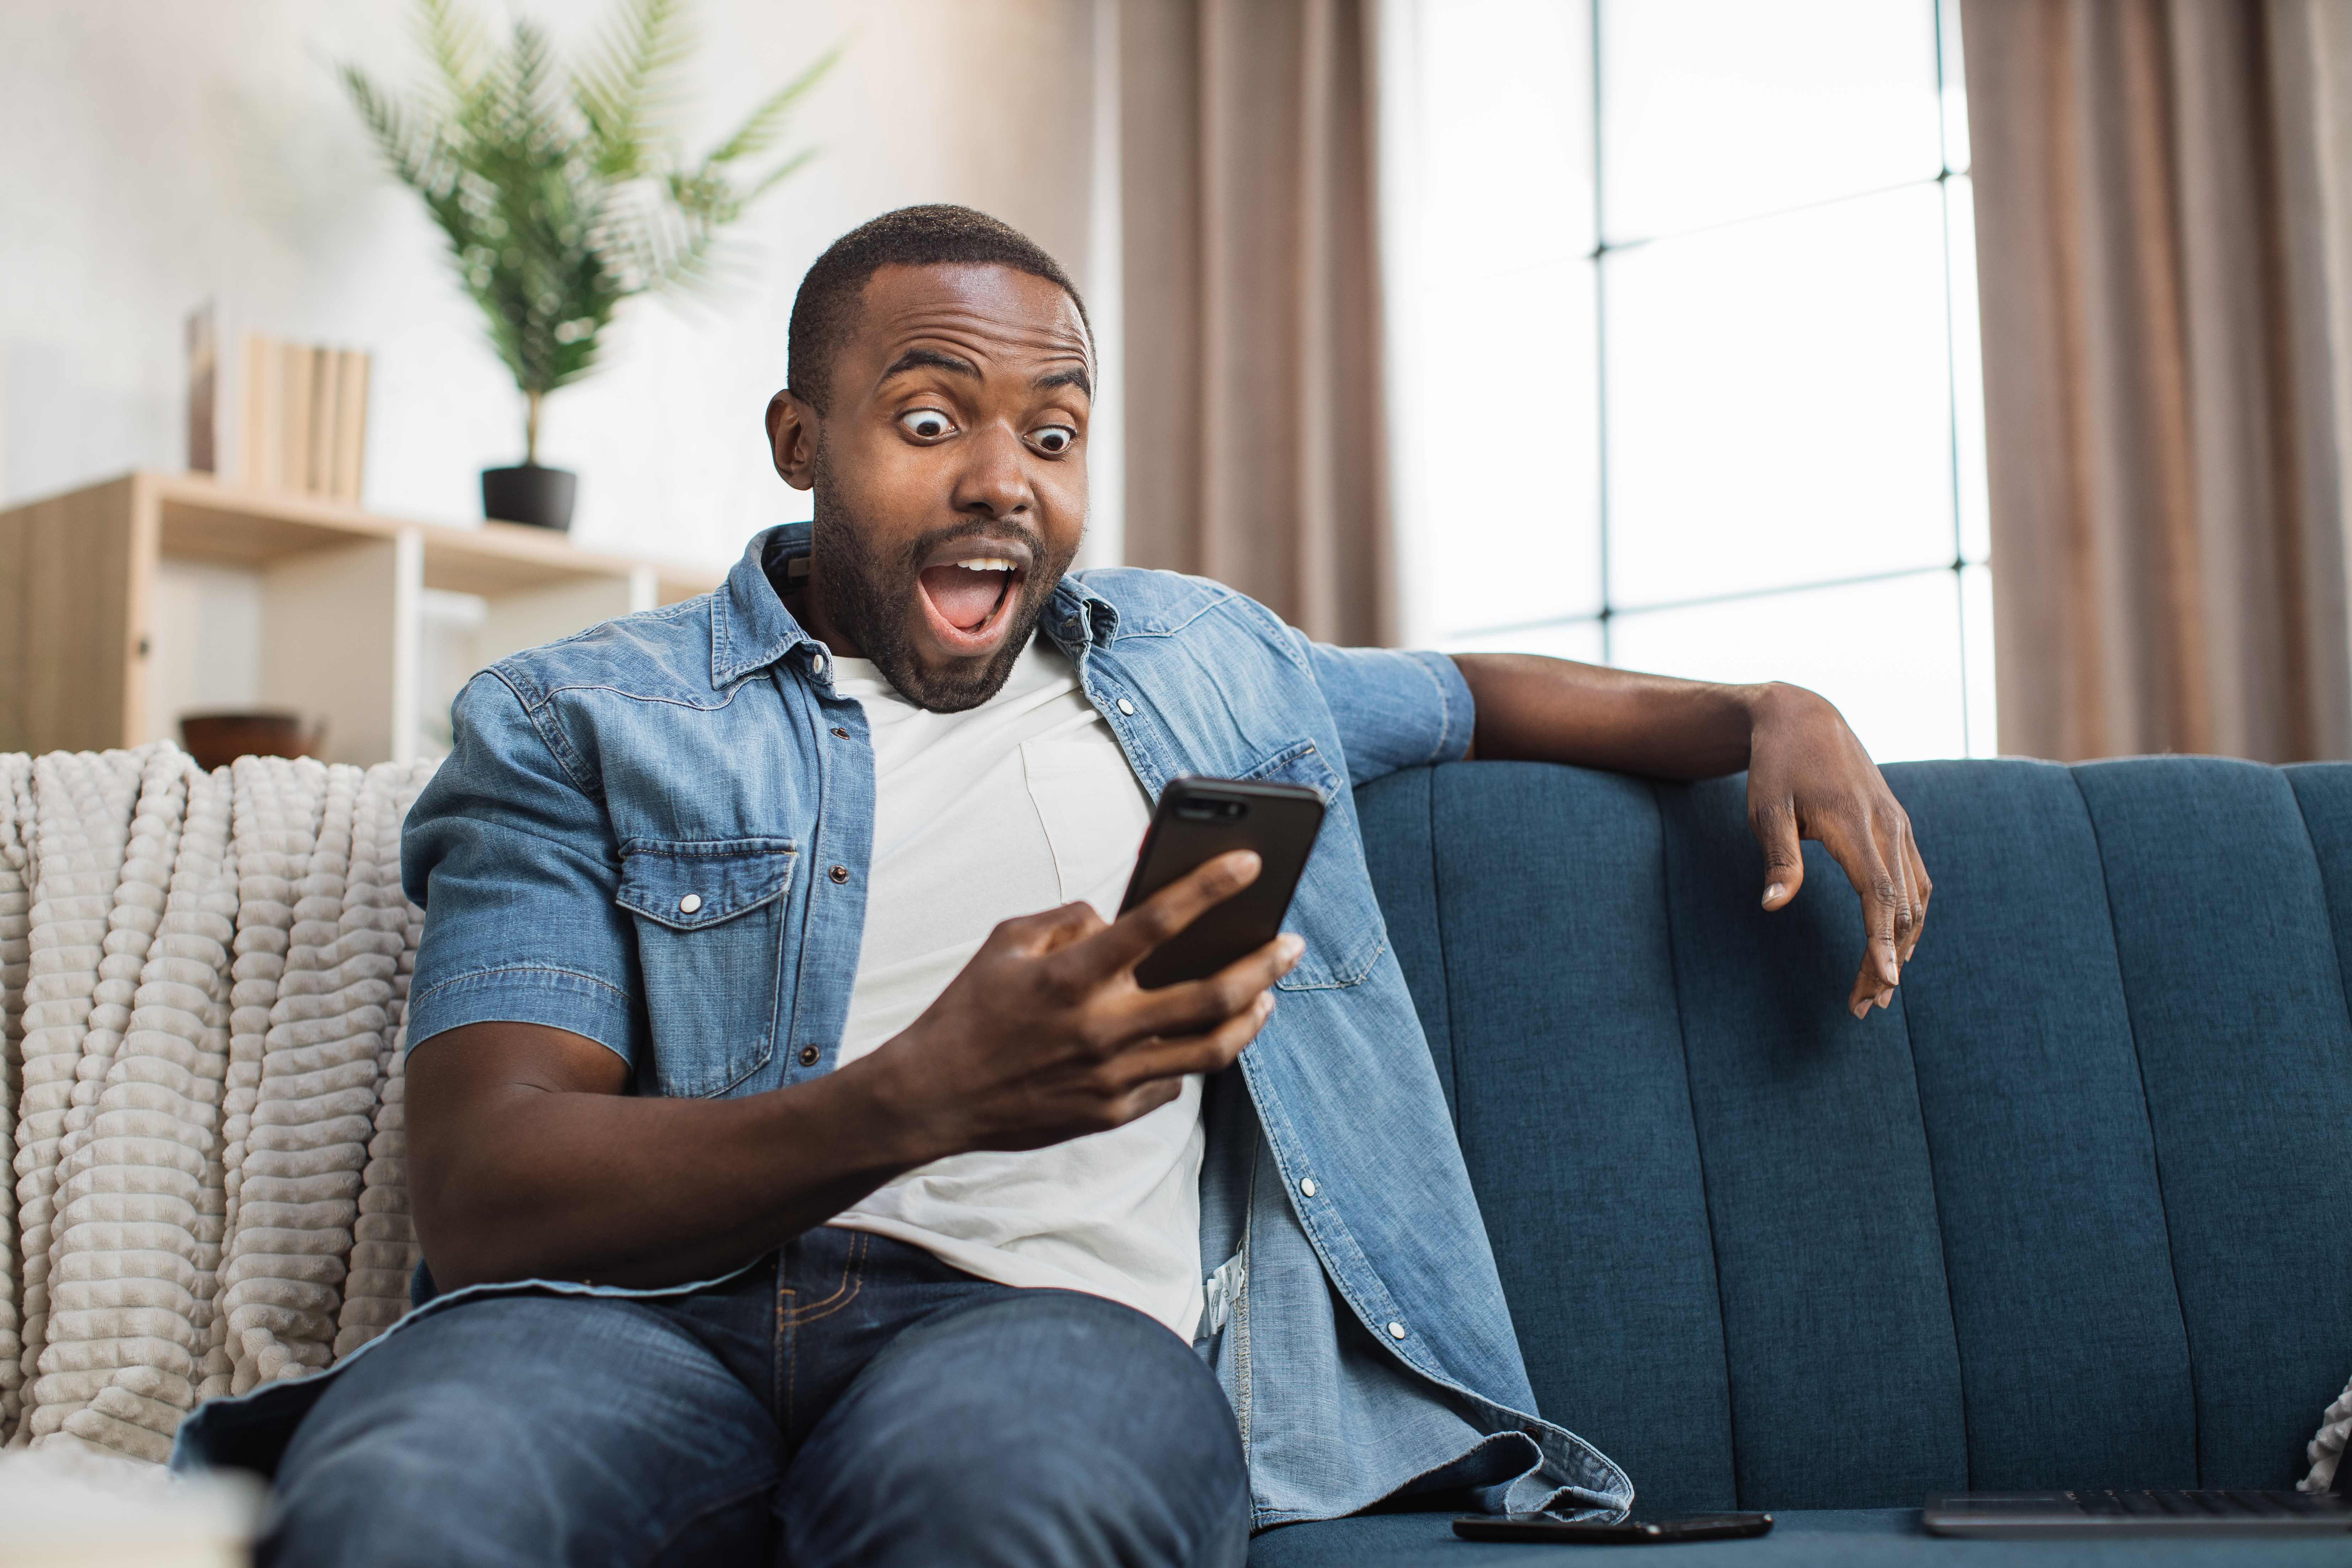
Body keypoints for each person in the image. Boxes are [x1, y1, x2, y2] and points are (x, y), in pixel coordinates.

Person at [175, 206, 1930, 1566]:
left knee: (1004, 1509)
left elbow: (1477, 691)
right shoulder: (578, 714)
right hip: (632, 1326)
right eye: (930, 415)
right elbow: (491, 1186)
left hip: (1046, 1334)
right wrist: (919, 1095)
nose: (1005, 477)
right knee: (414, 1498)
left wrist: (1762, 707)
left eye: (1056, 432)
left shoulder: (1209, 659)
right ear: (800, 439)